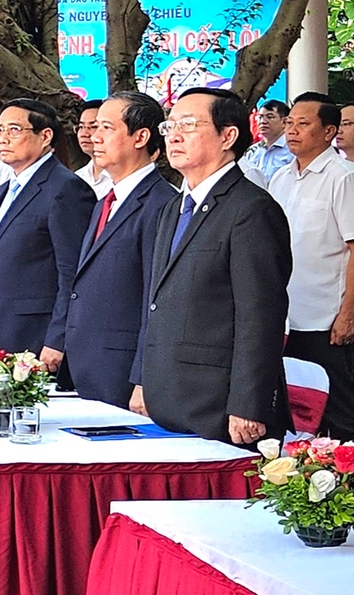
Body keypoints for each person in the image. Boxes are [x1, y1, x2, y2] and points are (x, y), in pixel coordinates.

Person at [133, 88, 293, 444]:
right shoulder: (172, 209)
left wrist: (249, 404)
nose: (174, 135)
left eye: (188, 124)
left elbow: (261, 315)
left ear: (228, 135)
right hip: (167, 397)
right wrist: (143, 379)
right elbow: (156, 301)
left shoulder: (251, 209)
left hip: (219, 406)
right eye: (169, 125)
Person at [61, 91, 172, 407]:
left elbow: (156, 301)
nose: (93, 137)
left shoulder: (161, 204)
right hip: (86, 363)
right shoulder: (104, 203)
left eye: (106, 128)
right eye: (93, 128)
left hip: (122, 373)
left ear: (141, 137)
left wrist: (143, 378)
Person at [0, 99, 94, 357]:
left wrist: (57, 338)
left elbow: (72, 271)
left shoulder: (65, 188)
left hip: (36, 336)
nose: (3, 139)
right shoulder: (3, 190)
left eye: (14, 130)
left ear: (45, 136)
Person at [267, 92, 354, 439]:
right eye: (289, 123)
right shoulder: (280, 178)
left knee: (339, 411)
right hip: (287, 316)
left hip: (326, 317)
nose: (292, 131)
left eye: (303, 124)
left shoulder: (342, 176)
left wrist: (348, 313)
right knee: (295, 413)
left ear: (329, 131)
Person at [241, 99, 294, 188]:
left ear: (284, 122)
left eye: (270, 117)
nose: (263, 121)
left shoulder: (292, 149)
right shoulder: (252, 151)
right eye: (260, 117)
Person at [71, 100, 112, 195]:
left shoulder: (121, 178)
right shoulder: (78, 177)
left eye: (93, 126)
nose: (84, 134)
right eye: (81, 127)